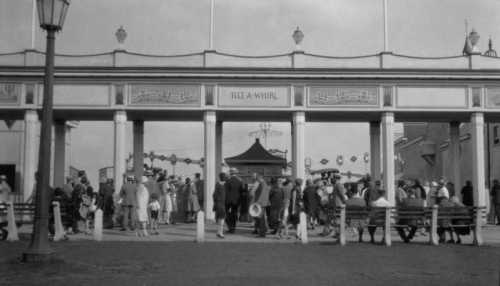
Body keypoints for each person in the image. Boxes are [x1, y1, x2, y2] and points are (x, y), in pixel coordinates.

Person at [225, 168, 244, 233]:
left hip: (228, 201)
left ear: (231, 173)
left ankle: (230, 227)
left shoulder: (228, 180)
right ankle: (233, 227)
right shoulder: (240, 181)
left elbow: (226, 191)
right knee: (234, 214)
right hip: (237, 201)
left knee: (227, 214)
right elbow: (242, 191)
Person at [213, 172, 227, 238]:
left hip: (221, 203)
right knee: (221, 218)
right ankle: (220, 232)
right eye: (223, 176)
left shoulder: (219, 184)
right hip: (221, 203)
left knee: (220, 218)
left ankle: (219, 232)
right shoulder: (222, 184)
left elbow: (214, 194)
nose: (224, 177)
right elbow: (215, 194)